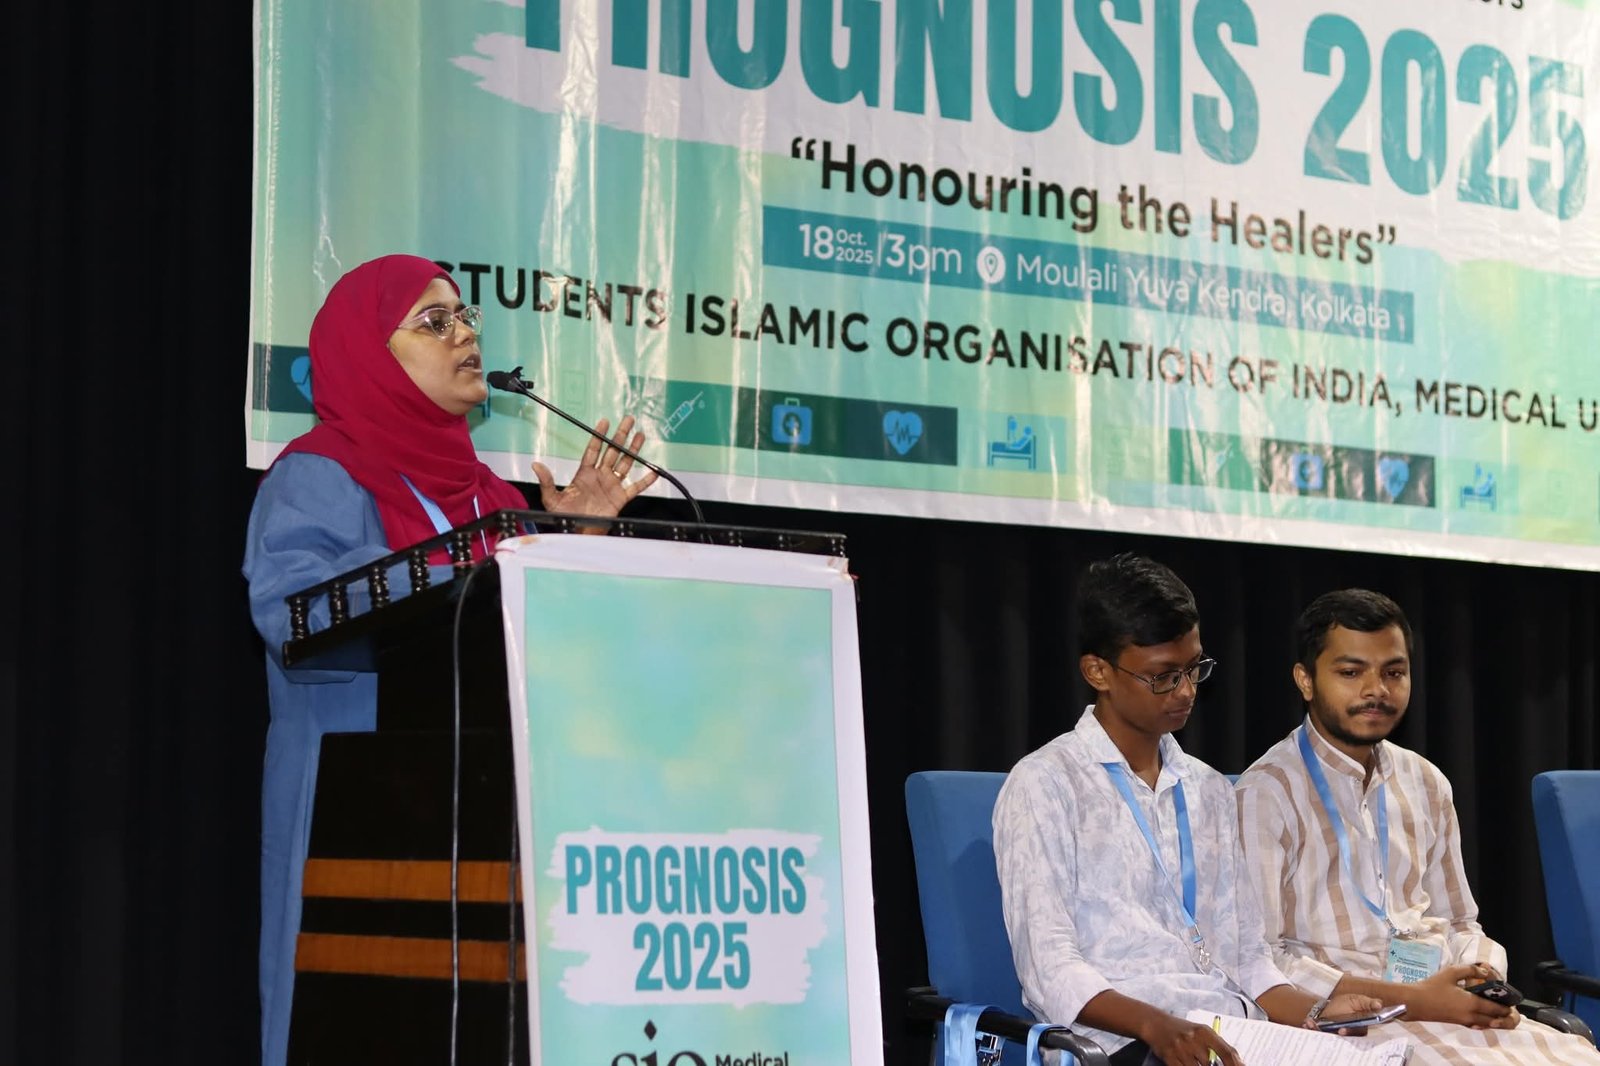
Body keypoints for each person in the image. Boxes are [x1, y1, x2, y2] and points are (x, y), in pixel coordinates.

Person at [242, 254, 657, 1066]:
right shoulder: (318, 474)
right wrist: (471, 566)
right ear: (370, 354)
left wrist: (571, 545)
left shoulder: (492, 499)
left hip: (495, 809)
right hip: (360, 813)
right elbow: (292, 612)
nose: (465, 334)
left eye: (466, 316)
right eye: (434, 322)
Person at [993, 554, 1378, 1066]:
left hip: (1226, 1032)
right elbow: (1049, 969)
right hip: (1118, 1043)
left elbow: (1248, 958)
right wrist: (1158, 1027)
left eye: (1194, 668)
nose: (1187, 691)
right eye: (1163, 677)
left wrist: (1315, 1011)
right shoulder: (1045, 784)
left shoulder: (1209, 789)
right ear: (1098, 671)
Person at [1235, 588, 1600, 1064]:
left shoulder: (1425, 781)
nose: (1376, 690)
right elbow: (1261, 957)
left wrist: (1481, 976)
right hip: (1349, 1024)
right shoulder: (1266, 791)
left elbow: (1460, 921)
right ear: (1305, 680)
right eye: (1351, 672)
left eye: (1394, 672)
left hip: (1448, 1008)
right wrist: (1414, 999)